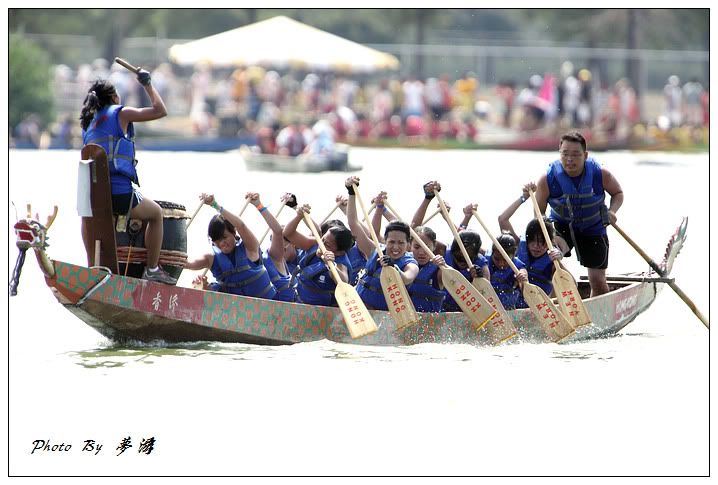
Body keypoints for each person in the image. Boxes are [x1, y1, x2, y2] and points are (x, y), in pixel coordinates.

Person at [79, 72, 175, 284]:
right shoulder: (121, 114)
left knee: (88, 219)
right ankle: (151, 269)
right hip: (119, 194)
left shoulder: (88, 124)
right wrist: (147, 84)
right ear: (113, 97)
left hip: (92, 199)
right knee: (156, 214)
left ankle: (92, 267)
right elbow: (160, 110)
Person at [534, 131, 624, 297]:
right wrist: (549, 238)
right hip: (562, 227)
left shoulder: (601, 174)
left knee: (597, 279)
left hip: (593, 227)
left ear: (585, 155)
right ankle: (561, 306)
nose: (569, 160)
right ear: (559, 154)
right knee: (555, 260)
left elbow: (618, 193)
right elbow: (538, 215)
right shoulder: (547, 180)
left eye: (575, 155)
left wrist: (612, 211)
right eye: (565, 154)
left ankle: (599, 314)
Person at [344, 176, 419, 311]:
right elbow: (353, 223)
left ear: (408, 244)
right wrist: (351, 193)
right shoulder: (374, 250)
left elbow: (407, 278)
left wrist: (394, 268)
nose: (395, 247)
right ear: (385, 240)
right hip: (361, 310)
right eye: (391, 242)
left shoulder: (411, 263)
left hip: (386, 315)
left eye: (401, 243)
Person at [185, 193, 277, 299]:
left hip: (267, 307)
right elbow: (189, 264)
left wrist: (215, 205)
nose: (221, 243)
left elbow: (241, 225)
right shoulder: (210, 258)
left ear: (233, 232)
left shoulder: (250, 247)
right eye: (217, 240)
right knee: (213, 288)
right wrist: (203, 285)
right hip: (237, 311)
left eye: (224, 237)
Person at [498, 182, 566, 296]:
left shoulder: (553, 259)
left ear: (550, 242)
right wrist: (524, 197)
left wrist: (559, 263)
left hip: (540, 303)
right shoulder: (519, 245)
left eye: (541, 243)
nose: (536, 246)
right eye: (532, 241)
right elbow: (502, 219)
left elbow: (572, 283)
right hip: (515, 301)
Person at [283, 204, 354, 307]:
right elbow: (288, 233)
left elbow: (344, 281)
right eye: (323, 239)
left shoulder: (341, 263)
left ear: (339, 252)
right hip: (296, 302)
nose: (321, 244)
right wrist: (298, 216)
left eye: (327, 244)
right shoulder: (315, 243)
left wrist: (331, 265)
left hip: (320, 314)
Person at [407, 226, 446, 313]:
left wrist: (445, 267)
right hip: (404, 320)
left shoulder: (440, 269)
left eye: (426, 247)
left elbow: (454, 280)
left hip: (430, 323)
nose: (421, 252)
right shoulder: (402, 263)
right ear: (410, 245)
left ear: (434, 246)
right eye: (417, 247)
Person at [486, 232, 529, 310]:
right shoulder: (484, 263)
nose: (501, 264)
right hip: (489, 310)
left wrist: (522, 280)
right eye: (496, 259)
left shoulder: (519, 267)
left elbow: (527, 292)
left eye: (506, 260)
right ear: (492, 253)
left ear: (514, 254)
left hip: (512, 311)